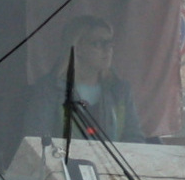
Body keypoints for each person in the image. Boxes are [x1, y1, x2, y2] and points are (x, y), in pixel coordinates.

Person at [34, 12, 138, 142]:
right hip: (63, 161)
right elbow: (37, 140)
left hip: (112, 163)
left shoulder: (120, 89)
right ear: (77, 49)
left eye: (109, 43)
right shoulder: (49, 89)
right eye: (98, 43)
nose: (108, 49)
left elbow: (134, 139)